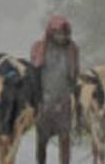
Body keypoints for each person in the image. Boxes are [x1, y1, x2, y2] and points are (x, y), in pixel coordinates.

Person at [30, 15, 79, 164]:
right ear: (51, 34)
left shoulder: (72, 49)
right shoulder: (40, 48)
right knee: (41, 141)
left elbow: (74, 76)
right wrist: (36, 102)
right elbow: (34, 76)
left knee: (65, 138)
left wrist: (75, 98)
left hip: (63, 101)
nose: (61, 37)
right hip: (44, 102)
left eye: (64, 34)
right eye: (58, 33)